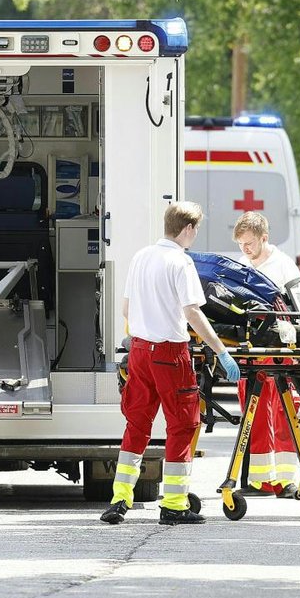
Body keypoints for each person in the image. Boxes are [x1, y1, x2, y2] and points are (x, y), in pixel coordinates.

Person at [101, 201, 241, 526]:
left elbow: (125, 309)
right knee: (183, 424)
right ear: (188, 228)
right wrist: (220, 350)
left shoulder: (141, 257)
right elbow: (193, 312)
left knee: (137, 424)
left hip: (139, 352)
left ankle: (120, 499)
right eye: (196, 230)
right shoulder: (180, 262)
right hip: (169, 353)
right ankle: (175, 504)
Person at [232, 211, 300, 496]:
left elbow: (297, 309)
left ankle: (285, 479)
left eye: (249, 243)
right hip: (251, 349)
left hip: (278, 349)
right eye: (240, 244)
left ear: (264, 238)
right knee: (254, 414)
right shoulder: (241, 264)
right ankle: (260, 479)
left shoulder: (284, 266)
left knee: (283, 413)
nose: (245, 249)